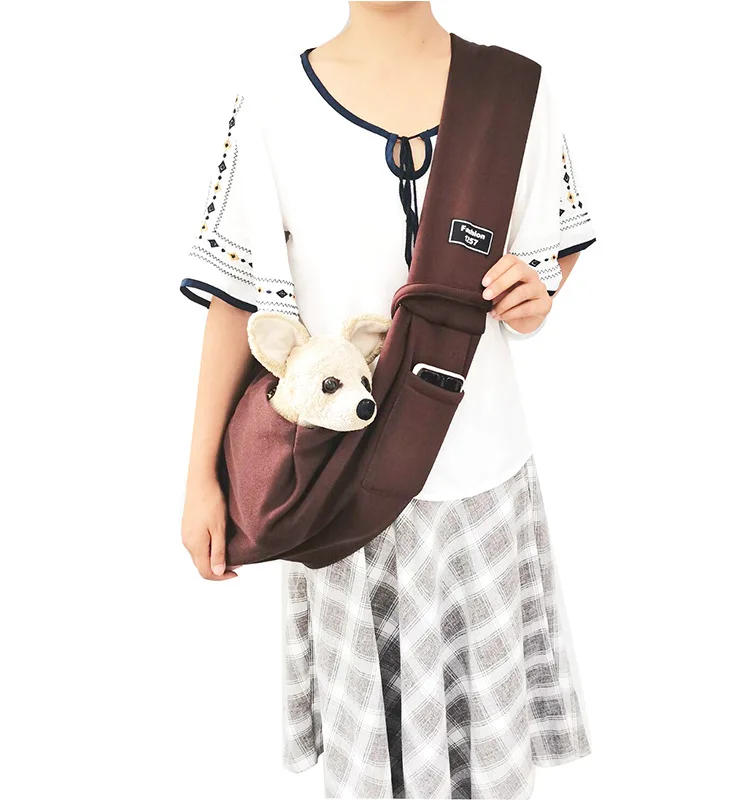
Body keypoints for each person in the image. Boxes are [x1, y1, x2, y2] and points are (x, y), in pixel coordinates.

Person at [179, 3, 597, 798]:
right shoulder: (271, 103)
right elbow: (236, 303)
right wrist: (201, 476)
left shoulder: (515, 92)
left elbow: (550, 251)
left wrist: (536, 293)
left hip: (483, 484)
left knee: (487, 763)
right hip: (342, 490)